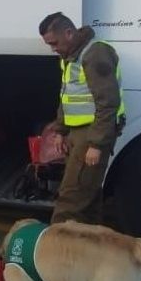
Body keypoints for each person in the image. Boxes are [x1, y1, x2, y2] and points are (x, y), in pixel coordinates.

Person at [39, 12, 125, 225]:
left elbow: (108, 102)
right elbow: (66, 97)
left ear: (69, 33)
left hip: (92, 132)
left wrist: (96, 144)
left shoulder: (95, 53)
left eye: (55, 43)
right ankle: (90, 247)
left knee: (71, 198)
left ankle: (58, 250)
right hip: (79, 133)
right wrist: (60, 130)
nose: (53, 49)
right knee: (88, 194)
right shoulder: (70, 57)